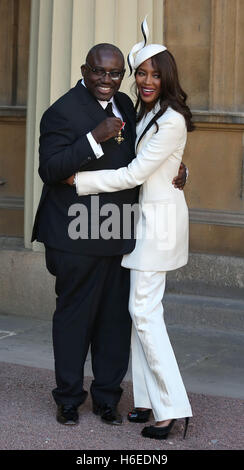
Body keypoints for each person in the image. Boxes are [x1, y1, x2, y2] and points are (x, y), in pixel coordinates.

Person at [32, 41, 186, 427]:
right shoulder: (60, 112)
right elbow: (49, 170)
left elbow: (147, 159)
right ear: (85, 71)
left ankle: (106, 398)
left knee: (115, 322)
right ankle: (68, 399)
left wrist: (180, 171)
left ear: (122, 76)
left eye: (115, 73)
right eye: (99, 72)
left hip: (119, 232)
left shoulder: (130, 110)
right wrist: (92, 138)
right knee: (74, 319)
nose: (107, 80)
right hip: (75, 234)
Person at [67, 23, 194, 440]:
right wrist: (179, 167)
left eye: (155, 75)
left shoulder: (170, 118)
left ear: (168, 78)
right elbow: (158, 162)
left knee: (143, 311)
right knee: (138, 311)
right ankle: (147, 400)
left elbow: (137, 172)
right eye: (141, 72)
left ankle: (172, 407)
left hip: (158, 226)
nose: (146, 81)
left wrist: (79, 183)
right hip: (143, 222)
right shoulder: (146, 111)